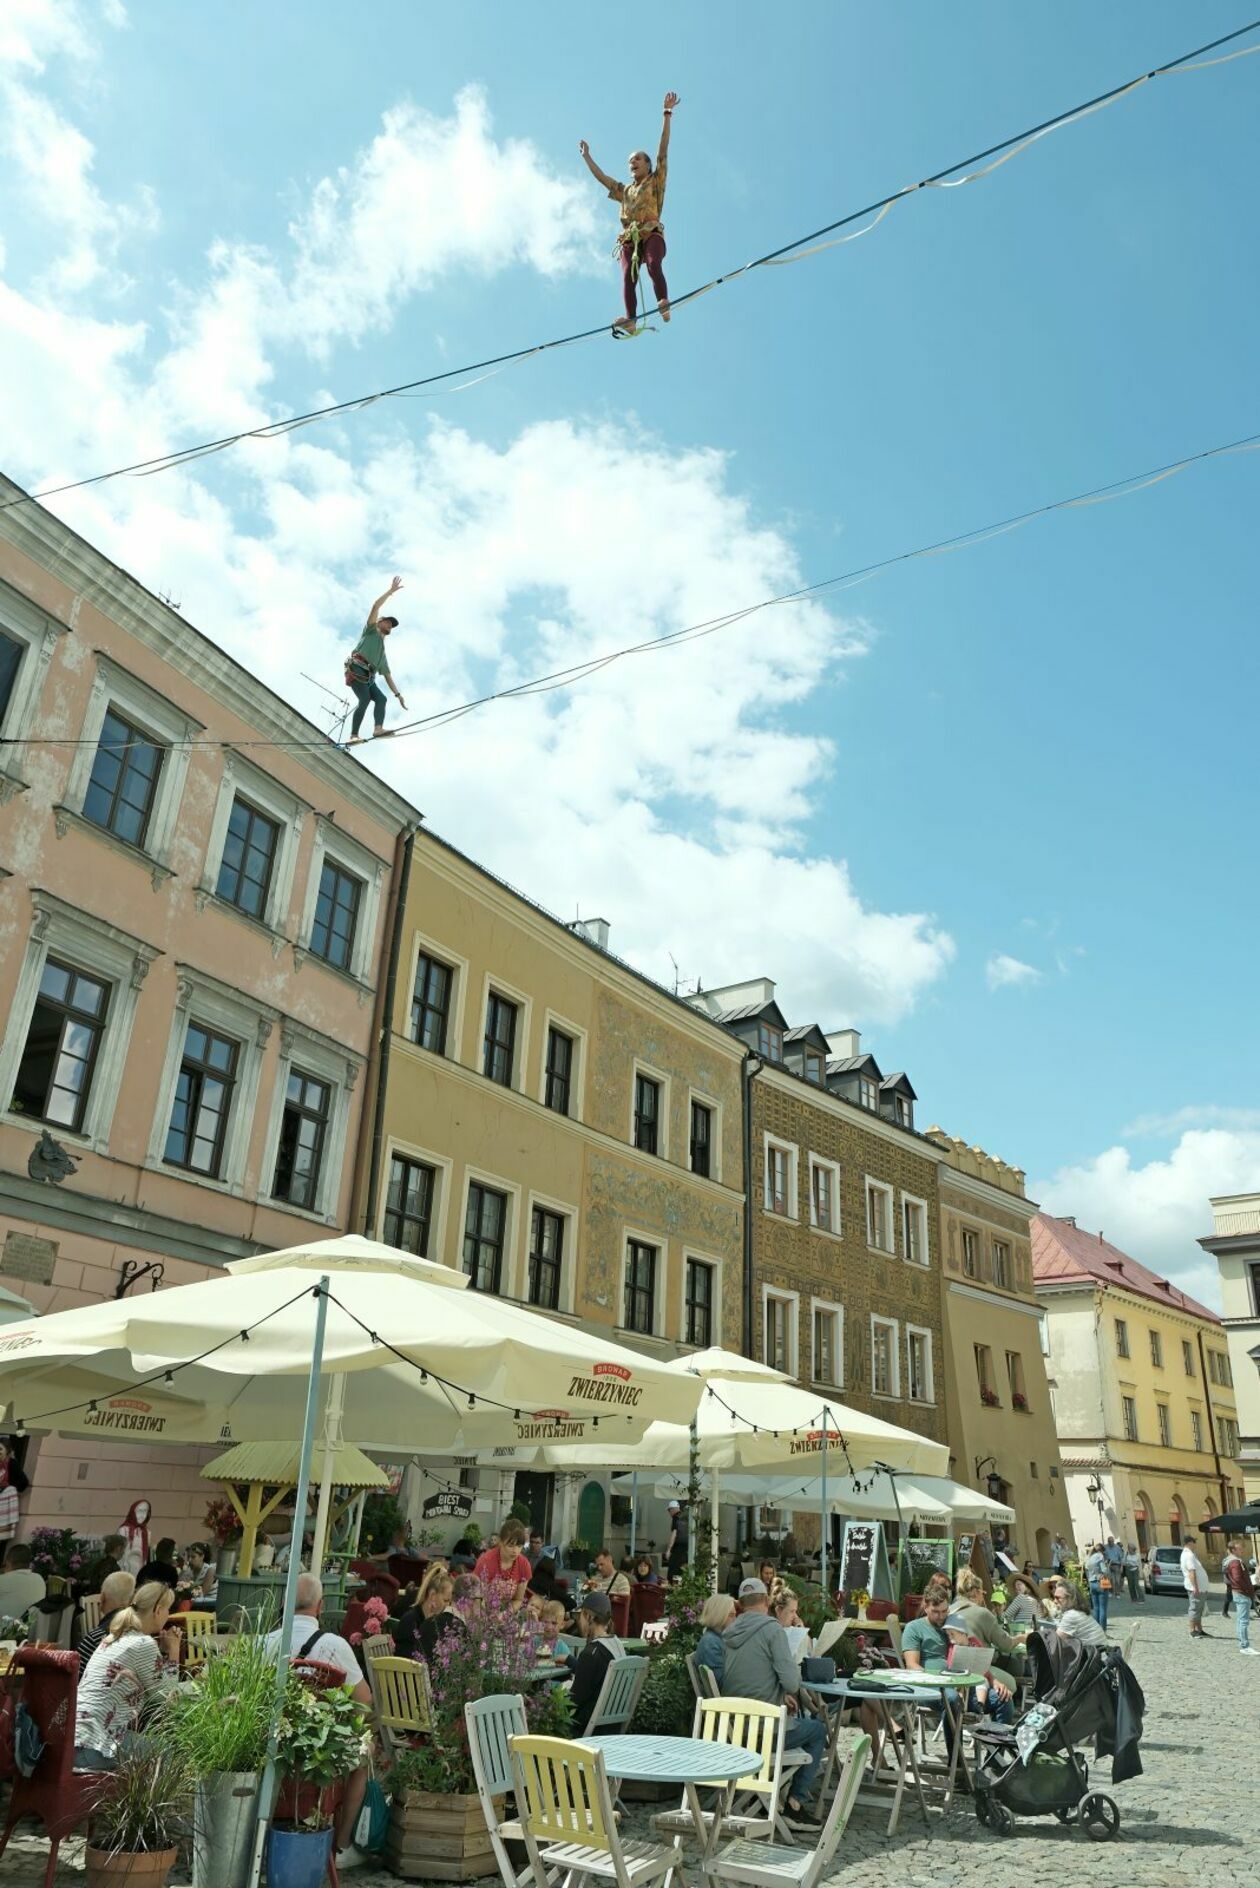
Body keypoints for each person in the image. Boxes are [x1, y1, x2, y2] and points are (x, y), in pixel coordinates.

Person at [264, 1574, 373, 1870]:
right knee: (363, 1761)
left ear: (285, 1604)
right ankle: (341, 1845)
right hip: (320, 1753)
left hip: (271, 1748)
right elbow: (364, 1699)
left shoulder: (265, 1643)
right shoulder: (335, 1646)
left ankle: (260, 1836)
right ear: (321, 1606)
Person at [720, 1578, 825, 1830]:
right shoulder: (772, 1630)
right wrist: (785, 1689)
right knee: (818, 1730)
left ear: (741, 1604)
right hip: (763, 1732)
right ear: (766, 1602)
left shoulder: (727, 1633)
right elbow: (791, 1682)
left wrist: (778, 1694)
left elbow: (749, 1677)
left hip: (734, 1730)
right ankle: (795, 1803)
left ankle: (763, 1794)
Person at [580, 93, 679, 334]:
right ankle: (631, 319)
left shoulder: (655, 181)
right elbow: (602, 178)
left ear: (647, 165)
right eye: (629, 161)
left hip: (651, 232)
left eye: (637, 160)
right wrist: (587, 157)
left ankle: (663, 302)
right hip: (629, 239)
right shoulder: (624, 191)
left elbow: (663, 149)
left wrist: (667, 114)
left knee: (654, 265)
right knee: (627, 276)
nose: (632, 163)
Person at [75, 1581, 181, 1769]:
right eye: (168, 1610)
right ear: (157, 1610)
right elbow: (168, 1697)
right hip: (95, 1748)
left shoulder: (113, 1637)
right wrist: (173, 1651)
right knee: (171, 1753)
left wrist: (163, 1653)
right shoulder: (143, 1643)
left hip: (75, 1740)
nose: (169, 1615)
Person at [345, 576, 407, 745]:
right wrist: (390, 592)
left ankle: (378, 729)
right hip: (357, 669)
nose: (389, 625)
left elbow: (387, 675)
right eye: (386, 622)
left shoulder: (382, 654)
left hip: (369, 677)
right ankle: (353, 736)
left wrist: (398, 695)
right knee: (364, 699)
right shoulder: (370, 631)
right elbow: (375, 606)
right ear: (378, 622)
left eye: (391, 625)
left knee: (381, 699)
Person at [952, 1568, 1028, 1679]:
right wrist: (1021, 1638)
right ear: (977, 1592)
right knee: (1013, 1678)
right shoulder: (982, 1613)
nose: (983, 1596)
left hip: (952, 1665)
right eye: (983, 1593)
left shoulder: (950, 1609)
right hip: (976, 1668)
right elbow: (1006, 1645)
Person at [567, 1591, 625, 1734]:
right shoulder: (617, 1645)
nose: (578, 1620)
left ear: (589, 1617)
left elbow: (574, 1701)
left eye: (580, 1615)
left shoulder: (591, 1653)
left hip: (589, 1730)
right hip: (612, 1727)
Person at [76, 1570, 137, 1676]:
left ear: (102, 1598)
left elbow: (74, 1679)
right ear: (132, 1600)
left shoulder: (95, 1638)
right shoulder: (141, 1634)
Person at [473, 1517, 533, 1607]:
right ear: (500, 1542)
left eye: (519, 1546)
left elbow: (518, 1599)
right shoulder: (485, 1561)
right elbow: (477, 1598)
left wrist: (504, 1615)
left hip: (508, 1613)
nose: (515, 1551)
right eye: (510, 1545)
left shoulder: (524, 1565)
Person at [1222, 1537, 1257, 1656]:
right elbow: (1237, 1579)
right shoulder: (1236, 1562)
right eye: (1239, 1548)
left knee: (1240, 1620)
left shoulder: (1230, 1560)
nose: (1242, 1550)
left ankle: (1242, 1643)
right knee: (1243, 1621)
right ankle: (1244, 1645)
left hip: (1238, 1592)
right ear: (1233, 1549)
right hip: (1242, 1593)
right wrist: (1248, 1590)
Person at [1051, 1578, 1107, 1647]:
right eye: (1054, 1597)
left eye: (1058, 1598)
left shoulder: (1071, 1615)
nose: (1055, 1601)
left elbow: (1055, 1643)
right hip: (1101, 1653)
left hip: (1095, 1656)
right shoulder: (1079, 1611)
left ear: (1070, 1598)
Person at [694, 1593, 736, 1686]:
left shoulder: (718, 1637)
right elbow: (721, 1682)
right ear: (719, 1615)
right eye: (731, 1615)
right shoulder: (711, 1643)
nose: (735, 1619)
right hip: (728, 1698)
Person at [0, 1541, 46, 1618]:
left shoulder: (3, 1580)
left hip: (7, 1628)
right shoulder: (39, 1579)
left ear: (8, 1563)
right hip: (32, 1628)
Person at [1181, 1532, 1210, 1640]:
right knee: (1194, 1609)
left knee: (1199, 1609)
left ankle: (1199, 1629)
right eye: (1194, 1542)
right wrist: (1195, 1587)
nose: (1195, 1544)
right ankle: (1192, 1630)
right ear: (1189, 1543)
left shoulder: (1189, 1554)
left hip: (1200, 1587)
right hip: (1195, 1587)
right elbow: (1191, 1573)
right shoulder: (1189, 1555)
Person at [118, 1500, 152, 1576]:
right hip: (126, 1566)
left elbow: (145, 1554)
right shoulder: (124, 1530)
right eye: (139, 1511)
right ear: (133, 1512)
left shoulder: (147, 1532)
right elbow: (120, 1553)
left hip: (140, 1566)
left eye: (145, 1511)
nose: (142, 1515)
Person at [1084, 1543, 1110, 1629]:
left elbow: (1087, 1569)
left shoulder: (1090, 1557)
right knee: (1103, 1608)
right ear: (1102, 1550)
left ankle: (1096, 1629)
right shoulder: (1100, 1556)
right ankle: (1103, 1630)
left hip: (1092, 1582)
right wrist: (1107, 1566)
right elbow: (1104, 1570)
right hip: (1101, 1582)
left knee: (1096, 1608)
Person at [664, 1500, 689, 1579]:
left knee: (672, 1571)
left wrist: (668, 1550)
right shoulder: (686, 1517)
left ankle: (671, 1588)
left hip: (678, 1549)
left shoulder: (676, 1518)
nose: (669, 1513)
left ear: (672, 1509)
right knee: (682, 1571)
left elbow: (674, 1534)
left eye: (669, 1510)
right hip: (687, 1549)